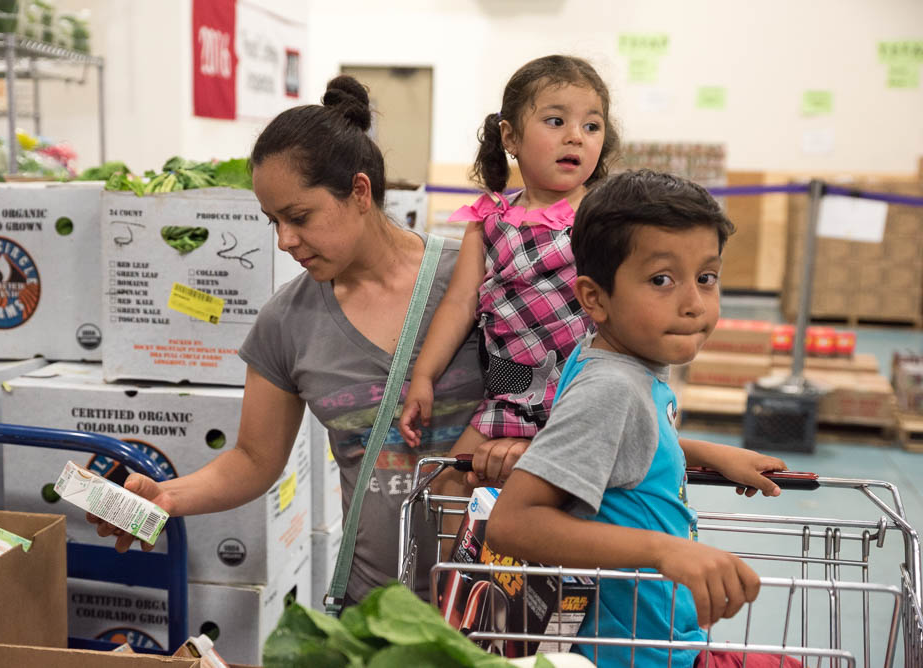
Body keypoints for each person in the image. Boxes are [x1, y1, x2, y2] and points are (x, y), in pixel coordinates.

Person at [90, 75, 527, 605]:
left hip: (502, 603)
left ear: (360, 192)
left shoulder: (479, 282)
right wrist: (165, 497)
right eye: (272, 221)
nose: (285, 241)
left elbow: (559, 396)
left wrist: (520, 447)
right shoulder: (286, 323)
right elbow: (254, 458)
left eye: (299, 217)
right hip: (376, 616)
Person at [485, 170, 801, 668]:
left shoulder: (621, 365)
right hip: (633, 654)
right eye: (661, 280)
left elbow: (620, 450)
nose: (694, 304)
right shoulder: (612, 387)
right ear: (594, 298)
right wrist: (664, 552)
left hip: (662, 641)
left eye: (706, 277)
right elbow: (513, 523)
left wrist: (707, 452)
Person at [398, 55, 619, 479]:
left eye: (592, 126)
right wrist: (424, 376)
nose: (576, 137)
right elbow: (461, 303)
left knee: (573, 506)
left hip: (590, 396)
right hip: (512, 397)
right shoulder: (488, 218)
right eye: (556, 121)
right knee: (450, 487)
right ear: (510, 136)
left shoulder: (607, 216)